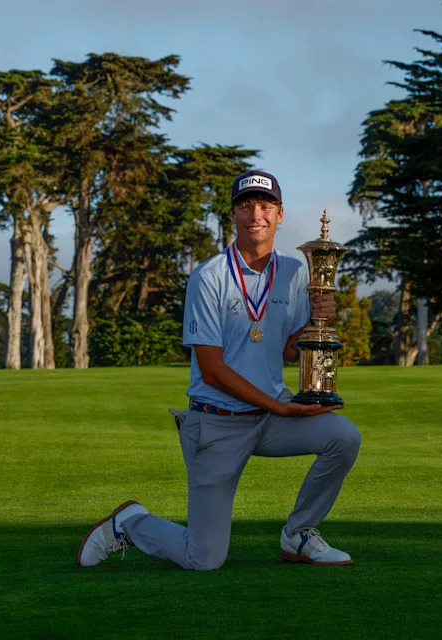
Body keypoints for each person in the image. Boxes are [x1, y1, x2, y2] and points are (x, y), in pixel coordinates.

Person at [78, 170, 361, 570]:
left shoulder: (297, 272)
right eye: (245, 206)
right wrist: (281, 407)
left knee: (344, 437)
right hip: (218, 422)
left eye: (265, 206)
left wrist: (316, 321)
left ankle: (298, 535)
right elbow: (211, 370)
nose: (255, 215)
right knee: (204, 558)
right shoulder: (208, 277)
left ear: (280, 215)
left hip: (268, 416)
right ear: (233, 215)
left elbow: (287, 352)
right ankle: (130, 523)